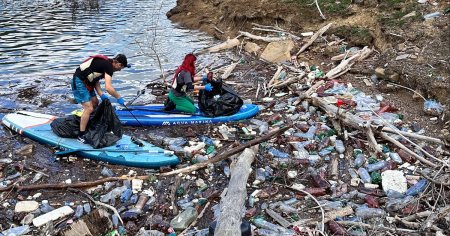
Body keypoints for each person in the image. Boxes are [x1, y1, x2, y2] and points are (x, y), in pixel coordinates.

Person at [71, 54, 129, 143]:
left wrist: (101, 94)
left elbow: (96, 79)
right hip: (79, 81)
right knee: (89, 108)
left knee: (95, 103)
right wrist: (118, 97)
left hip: (88, 83)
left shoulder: (106, 64)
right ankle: (81, 134)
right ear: (118, 64)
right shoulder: (108, 67)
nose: (120, 70)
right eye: (121, 67)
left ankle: (89, 124)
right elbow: (108, 88)